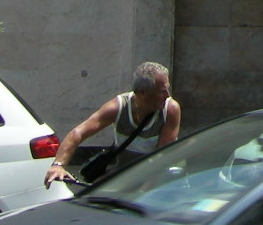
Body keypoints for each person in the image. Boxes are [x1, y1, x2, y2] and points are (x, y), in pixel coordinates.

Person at [43, 62, 181, 188]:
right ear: (142, 93)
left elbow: (162, 158)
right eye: (161, 91)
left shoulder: (170, 110)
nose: (167, 95)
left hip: (157, 177)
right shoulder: (118, 107)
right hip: (123, 173)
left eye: (167, 89)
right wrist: (58, 165)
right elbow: (78, 133)